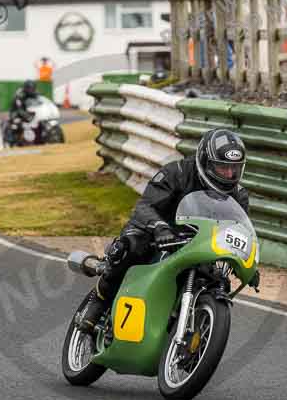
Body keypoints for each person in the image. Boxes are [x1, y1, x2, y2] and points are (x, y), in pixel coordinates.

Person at [79, 129, 253, 333]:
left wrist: (247, 261)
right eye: (222, 167)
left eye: (234, 169)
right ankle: (99, 300)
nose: (229, 174)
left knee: (219, 282)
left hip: (198, 246)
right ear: (206, 161)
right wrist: (160, 227)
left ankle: (196, 334)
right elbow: (144, 206)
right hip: (156, 233)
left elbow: (239, 231)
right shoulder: (177, 172)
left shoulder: (239, 196)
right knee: (131, 248)